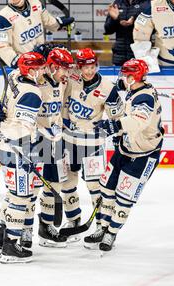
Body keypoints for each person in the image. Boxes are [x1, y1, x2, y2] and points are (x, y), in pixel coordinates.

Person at [96, 59, 164, 251]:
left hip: (144, 154)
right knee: (107, 188)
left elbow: (137, 122)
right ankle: (103, 226)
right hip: (125, 147)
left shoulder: (145, 98)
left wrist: (114, 126)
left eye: (126, 75)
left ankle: (111, 233)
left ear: (133, 77)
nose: (122, 78)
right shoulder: (137, 91)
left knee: (124, 197)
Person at [60, 48, 122, 247]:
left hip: (93, 143)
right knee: (67, 184)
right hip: (69, 140)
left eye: (92, 66)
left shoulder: (107, 87)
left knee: (96, 187)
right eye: (85, 67)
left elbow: (117, 117)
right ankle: (73, 219)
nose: (89, 71)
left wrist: (119, 135)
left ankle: (102, 227)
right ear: (78, 66)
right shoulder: (71, 77)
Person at [0, 51, 47, 263]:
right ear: (31, 70)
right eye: (40, 68)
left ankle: (1, 241)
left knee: (12, 193)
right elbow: (22, 130)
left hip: (1, 145)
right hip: (16, 149)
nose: (43, 71)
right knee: (21, 196)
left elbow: (0, 102)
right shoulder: (32, 92)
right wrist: (27, 155)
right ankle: (11, 247)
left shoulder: (14, 75)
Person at [33, 46, 74, 248]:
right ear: (51, 66)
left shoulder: (62, 82)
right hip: (36, 140)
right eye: (63, 68)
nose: (66, 73)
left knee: (55, 183)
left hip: (55, 139)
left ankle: (46, 227)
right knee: (32, 188)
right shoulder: (36, 83)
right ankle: (20, 232)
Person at [0, 0, 74, 68]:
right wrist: (19, 62)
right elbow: (2, 46)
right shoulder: (3, 16)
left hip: (43, 59)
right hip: (26, 65)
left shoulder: (36, 3)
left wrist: (60, 23)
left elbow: (49, 22)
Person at [104, 0, 150, 66]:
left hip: (139, 56)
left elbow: (153, 29)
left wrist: (134, 23)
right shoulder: (117, 3)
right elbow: (108, 29)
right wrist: (115, 19)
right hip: (119, 57)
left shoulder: (147, 3)